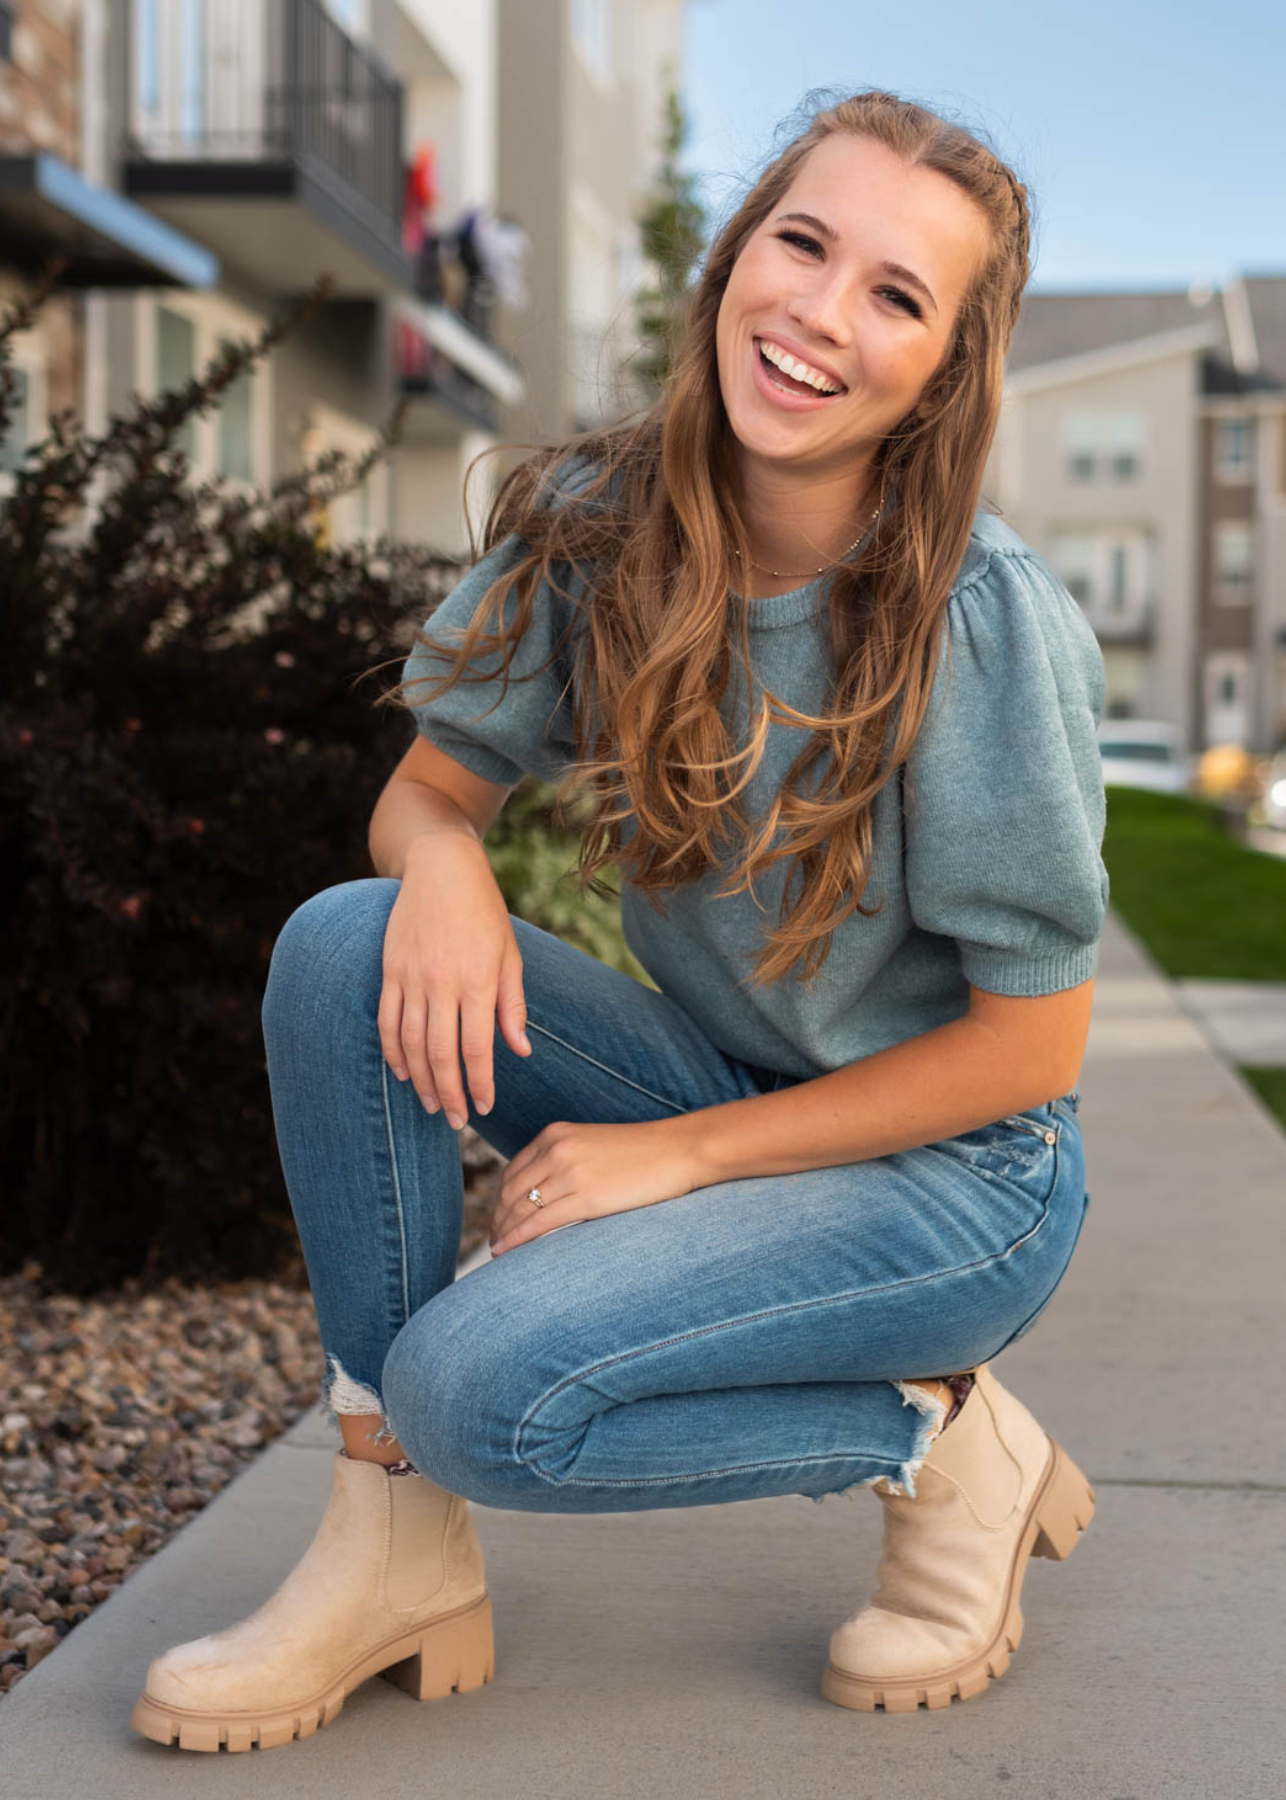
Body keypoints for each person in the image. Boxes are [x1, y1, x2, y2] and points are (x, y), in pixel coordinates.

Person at [131, 89, 1106, 1751]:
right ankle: (390, 1542)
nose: (815, 314)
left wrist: (676, 1162)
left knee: (482, 1399)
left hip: (955, 1182)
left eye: (893, 293)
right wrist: (442, 864)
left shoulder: (977, 624)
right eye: (800, 243)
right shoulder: (599, 525)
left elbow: (1029, 1049)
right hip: (717, 1082)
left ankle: (937, 1439)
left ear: (942, 370)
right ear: (735, 257)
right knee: (343, 941)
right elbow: (426, 795)